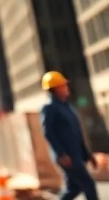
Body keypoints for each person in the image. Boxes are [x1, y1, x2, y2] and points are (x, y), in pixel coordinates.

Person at [40, 71, 100, 200]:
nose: (66, 88)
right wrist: (61, 154)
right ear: (55, 89)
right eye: (63, 85)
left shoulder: (67, 107)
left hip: (76, 154)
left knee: (73, 188)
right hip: (67, 157)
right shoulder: (49, 108)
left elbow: (76, 133)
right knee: (89, 185)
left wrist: (87, 154)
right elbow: (48, 132)